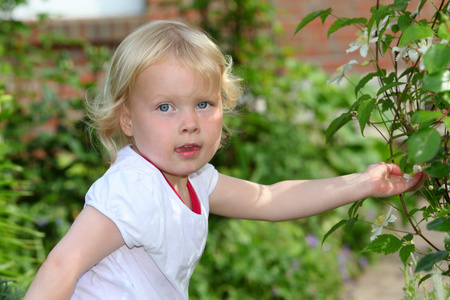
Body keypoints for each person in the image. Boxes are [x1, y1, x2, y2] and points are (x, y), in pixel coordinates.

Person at [24, 19, 425, 300]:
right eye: (165, 107)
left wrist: (364, 183)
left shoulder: (195, 180)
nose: (189, 123)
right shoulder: (134, 187)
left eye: (203, 103)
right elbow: (62, 267)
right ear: (127, 119)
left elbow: (270, 199)